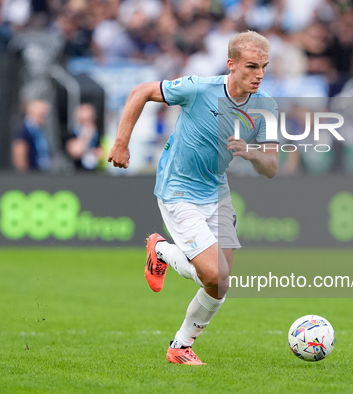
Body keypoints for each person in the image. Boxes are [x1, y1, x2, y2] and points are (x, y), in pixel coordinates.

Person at [108, 31, 279, 365]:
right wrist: (121, 142)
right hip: (178, 189)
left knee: (221, 284)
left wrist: (251, 153)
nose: (259, 74)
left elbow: (271, 166)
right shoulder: (200, 89)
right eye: (251, 66)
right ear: (231, 64)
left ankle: (180, 346)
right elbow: (140, 91)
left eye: (264, 67)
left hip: (216, 191)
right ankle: (160, 249)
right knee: (215, 275)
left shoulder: (266, 108)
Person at [12, 99, 52, 173]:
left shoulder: (40, 130)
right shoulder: (24, 130)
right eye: (40, 110)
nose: (44, 113)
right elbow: (19, 154)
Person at [65, 103, 104, 171]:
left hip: (95, 172)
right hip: (78, 171)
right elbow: (76, 152)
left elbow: (101, 154)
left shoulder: (98, 134)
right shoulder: (72, 133)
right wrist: (85, 134)